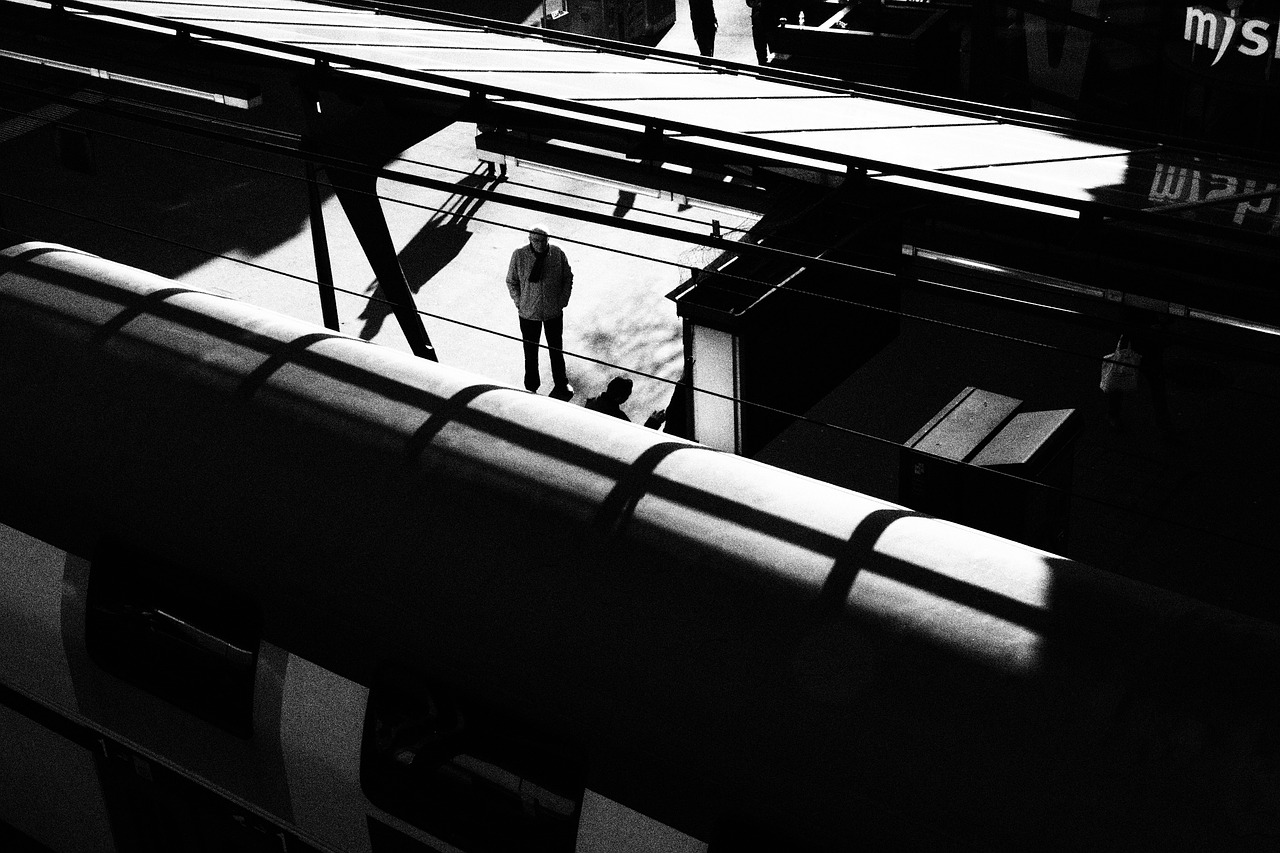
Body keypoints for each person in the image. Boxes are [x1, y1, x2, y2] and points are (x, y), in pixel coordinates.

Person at [506, 227, 573, 399]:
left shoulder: (557, 253)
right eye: (536, 241)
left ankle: (561, 382)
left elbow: (568, 277)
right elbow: (511, 281)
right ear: (530, 240)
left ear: (548, 240)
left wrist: (562, 300)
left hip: (553, 311)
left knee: (556, 348)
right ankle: (531, 386)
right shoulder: (520, 255)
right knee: (530, 351)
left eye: (544, 240)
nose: (540, 244)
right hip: (529, 313)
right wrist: (519, 302)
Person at [586, 376, 666, 429]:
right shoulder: (618, 416)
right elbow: (634, 438)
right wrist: (653, 422)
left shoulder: (591, 403)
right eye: (627, 396)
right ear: (619, 398)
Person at [747, 0, 781, 65]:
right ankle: (762, 70)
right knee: (760, 51)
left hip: (772, 21)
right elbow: (750, 2)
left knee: (775, 52)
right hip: (758, 22)